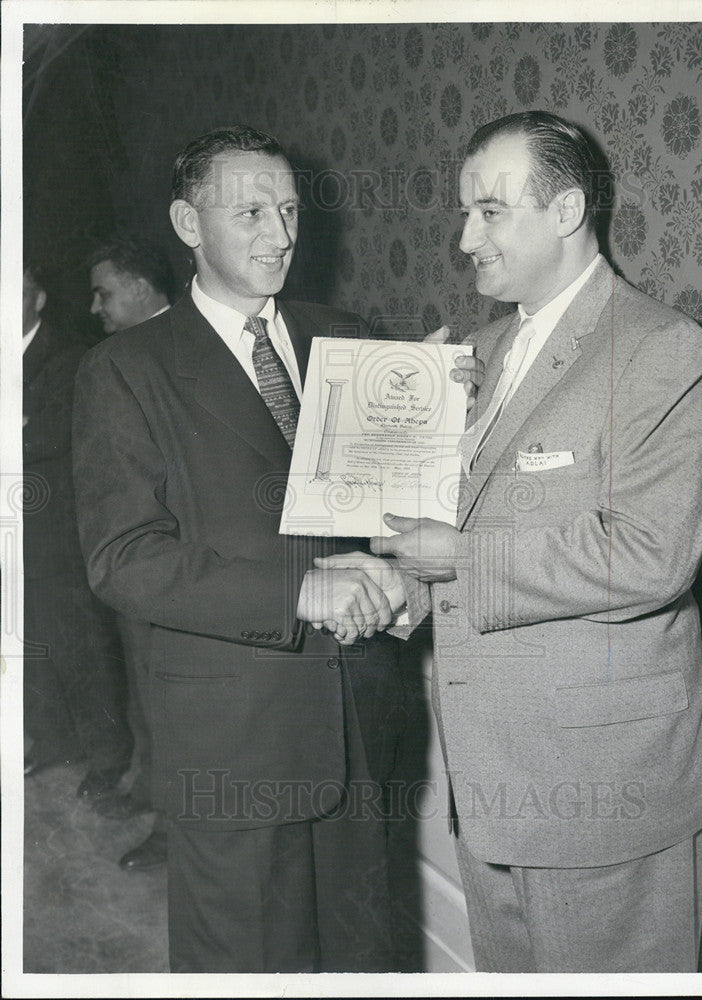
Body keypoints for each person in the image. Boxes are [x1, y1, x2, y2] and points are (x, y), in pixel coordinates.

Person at [320, 111, 702, 973]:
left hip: (604, 790)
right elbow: (462, 535)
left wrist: (453, 558)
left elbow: (651, 555)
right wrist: (392, 586)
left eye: (490, 210)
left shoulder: (664, 350)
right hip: (489, 779)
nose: (466, 236)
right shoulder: (481, 353)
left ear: (568, 210)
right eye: (466, 211)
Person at [71, 125, 479, 973]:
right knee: (251, 965)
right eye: (251, 211)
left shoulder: (345, 334)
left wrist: (439, 425)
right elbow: (125, 560)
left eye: (289, 210)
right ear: (189, 224)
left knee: (362, 960)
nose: (281, 233)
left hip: (362, 722)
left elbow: (380, 514)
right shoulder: (125, 370)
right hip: (234, 743)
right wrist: (300, 590)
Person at [23, 263, 133, 798]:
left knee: (82, 648)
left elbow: (40, 436)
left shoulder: (67, 356)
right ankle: (52, 741)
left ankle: (108, 759)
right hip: (16, 535)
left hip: (60, 535)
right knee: (33, 646)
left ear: (38, 298)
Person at [85, 235, 176, 874]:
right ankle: (148, 789)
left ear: (142, 289)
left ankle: (177, 828)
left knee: (172, 702)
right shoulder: (118, 354)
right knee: (144, 691)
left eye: (105, 292)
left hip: (176, 563)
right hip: (132, 558)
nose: (95, 307)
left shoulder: (185, 345)